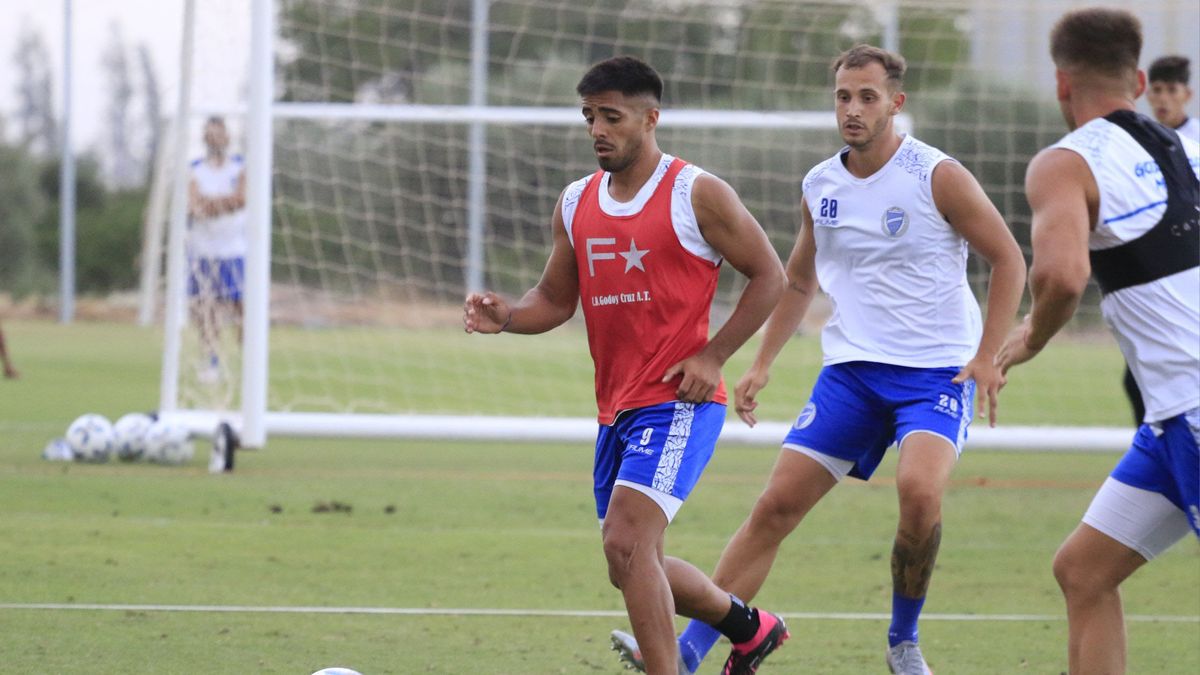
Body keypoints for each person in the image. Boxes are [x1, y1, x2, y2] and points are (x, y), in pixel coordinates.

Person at [625, 44, 1026, 675]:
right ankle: (695, 650)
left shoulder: (936, 175)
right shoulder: (820, 183)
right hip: (852, 374)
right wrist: (761, 364)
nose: (853, 109)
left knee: (919, 494)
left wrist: (985, 357)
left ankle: (903, 640)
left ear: (896, 103)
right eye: (844, 96)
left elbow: (1009, 258)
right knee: (773, 508)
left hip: (936, 373)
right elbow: (798, 281)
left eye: (868, 97)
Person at [463, 56, 788, 675]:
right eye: (589, 117)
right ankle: (749, 628)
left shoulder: (696, 192)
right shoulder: (576, 201)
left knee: (626, 543)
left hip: (679, 403)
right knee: (631, 561)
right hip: (616, 408)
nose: (597, 130)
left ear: (650, 118)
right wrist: (506, 315)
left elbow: (770, 275)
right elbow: (555, 301)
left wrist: (714, 355)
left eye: (611, 117)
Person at [996, 9, 1199, 674]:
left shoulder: (1066, 161)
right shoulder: (1185, 146)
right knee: (1083, 569)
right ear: (1140, 80)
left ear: (1062, 84)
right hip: (1170, 420)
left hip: (1192, 409)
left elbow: (1060, 273)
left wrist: (1030, 336)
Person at [187, 116, 247, 383]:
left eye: (218, 135)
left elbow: (242, 199)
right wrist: (225, 203)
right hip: (203, 250)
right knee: (207, 309)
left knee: (242, 307)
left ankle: (248, 363)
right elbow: (193, 206)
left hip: (236, 249)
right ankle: (211, 362)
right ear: (204, 138)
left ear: (227, 137)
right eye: (209, 135)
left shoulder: (240, 167)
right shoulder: (194, 169)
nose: (214, 140)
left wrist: (210, 205)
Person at [1147, 55, 1199, 142]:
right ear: (1148, 95)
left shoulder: (1197, 137)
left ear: (1187, 95)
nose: (1163, 98)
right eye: (1157, 90)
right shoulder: (1146, 138)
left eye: (1172, 90)